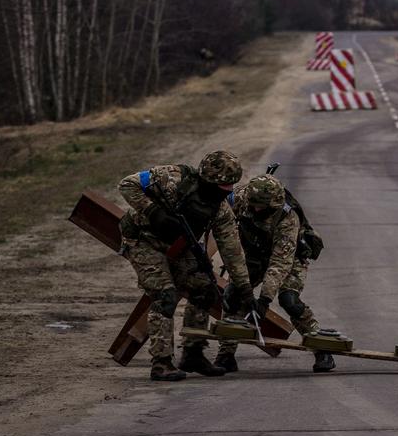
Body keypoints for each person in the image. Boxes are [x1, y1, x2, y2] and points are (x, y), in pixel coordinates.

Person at [118, 151, 251, 382]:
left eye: (231, 186)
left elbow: (232, 250)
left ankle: (193, 353)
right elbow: (127, 184)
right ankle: (161, 362)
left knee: (205, 289)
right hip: (143, 240)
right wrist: (152, 210)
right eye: (223, 186)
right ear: (209, 179)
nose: (228, 191)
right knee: (165, 295)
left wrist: (244, 288)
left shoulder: (218, 209)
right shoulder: (173, 178)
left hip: (180, 244)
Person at [216, 174, 334, 373]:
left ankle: (322, 350)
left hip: (291, 257)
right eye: (254, 205)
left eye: (262, 207)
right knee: (232, 294)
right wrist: (242, 285)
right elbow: (220, 222)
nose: (256, 210)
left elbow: (280, 262)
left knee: (290, 301)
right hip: (255, 254)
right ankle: (226, 353)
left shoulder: (287, 217)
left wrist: (264, 300)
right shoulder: (241, 199)